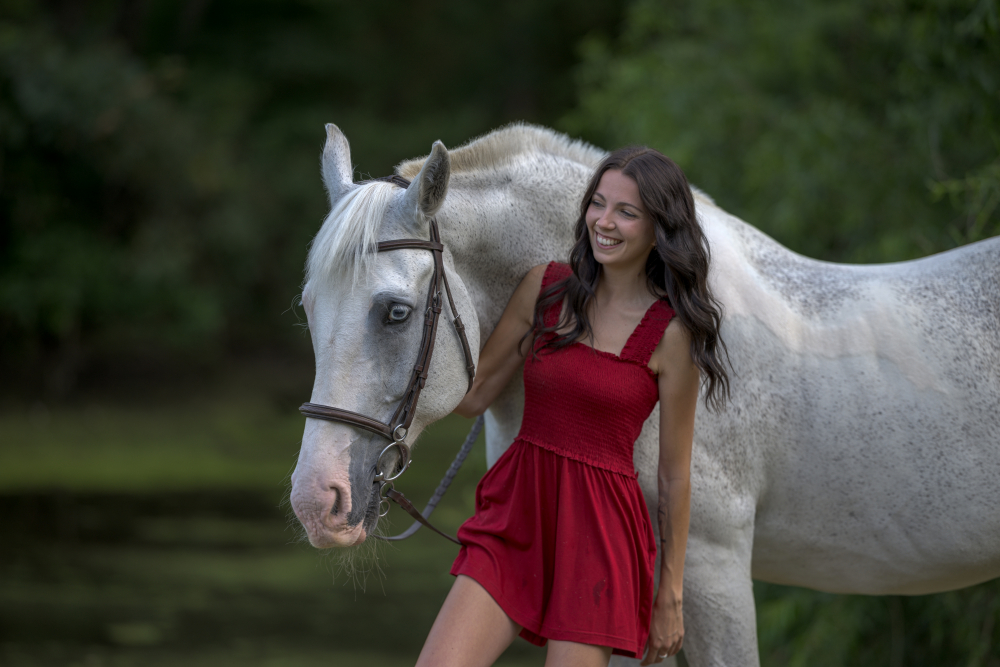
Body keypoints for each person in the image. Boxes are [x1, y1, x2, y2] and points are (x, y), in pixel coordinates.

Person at [416, 146, 730, 667]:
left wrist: (670, 595)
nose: (604, 222)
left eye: (626, 212)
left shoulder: (672, 336)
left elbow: (674, 476)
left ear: (659, 229)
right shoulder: (545, 289)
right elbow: (473, 396)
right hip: (516, 518)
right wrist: (381, 409)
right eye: (598, 204)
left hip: (600, 540)